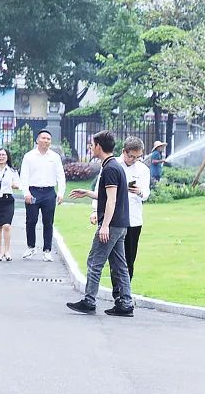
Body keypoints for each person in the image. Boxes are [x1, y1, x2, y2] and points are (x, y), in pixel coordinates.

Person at [67, 130, 134, 317]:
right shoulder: (114, 166)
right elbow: (109, 195)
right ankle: (126, 303)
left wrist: (104, 226)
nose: (91, 148)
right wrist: (88, 193)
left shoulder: (110, 168)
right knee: (120, 265)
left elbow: (112, 200)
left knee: (95, 262)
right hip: (120, 224)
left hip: (111, 225)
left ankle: (89, 301)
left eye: (92, 145)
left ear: (99, 146)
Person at [88, 137, 150, 290]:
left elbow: (146, 193)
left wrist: (139, 191)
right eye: (131, 156)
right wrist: (95, 211)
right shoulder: (112, 165)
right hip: (114, 219)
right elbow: (100, 190)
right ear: (124, 151)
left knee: (128, 260)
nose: (134, 160)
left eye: (138, 157)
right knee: (113, 260)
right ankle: (119, 295)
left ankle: (122, 295)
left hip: (133, 219)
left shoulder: (143, 169)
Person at [19, 129, 65, 262]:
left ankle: (47, 250)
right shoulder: (29, 156)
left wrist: (61, 193)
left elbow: (60, 176)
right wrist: (26, 193)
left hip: (49, 192)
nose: (46, 141)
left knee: (48, 222)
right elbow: (24, 176)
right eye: (43, 138)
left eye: (48, 139)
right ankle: (31, 247)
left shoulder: (55, 157)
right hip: (33, 191)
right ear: (37, 140)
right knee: (31, 220)